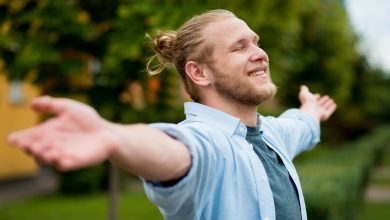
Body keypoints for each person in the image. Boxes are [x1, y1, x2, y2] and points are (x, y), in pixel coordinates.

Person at [8, 9, 336, 220]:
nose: (260, 54)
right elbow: (177, 151)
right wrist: (114, 136)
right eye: (240, 47)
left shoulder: (271, 135)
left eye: (255, 43)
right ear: (199, 73)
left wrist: (311, 112)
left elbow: (300, 126)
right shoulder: (209, 143)